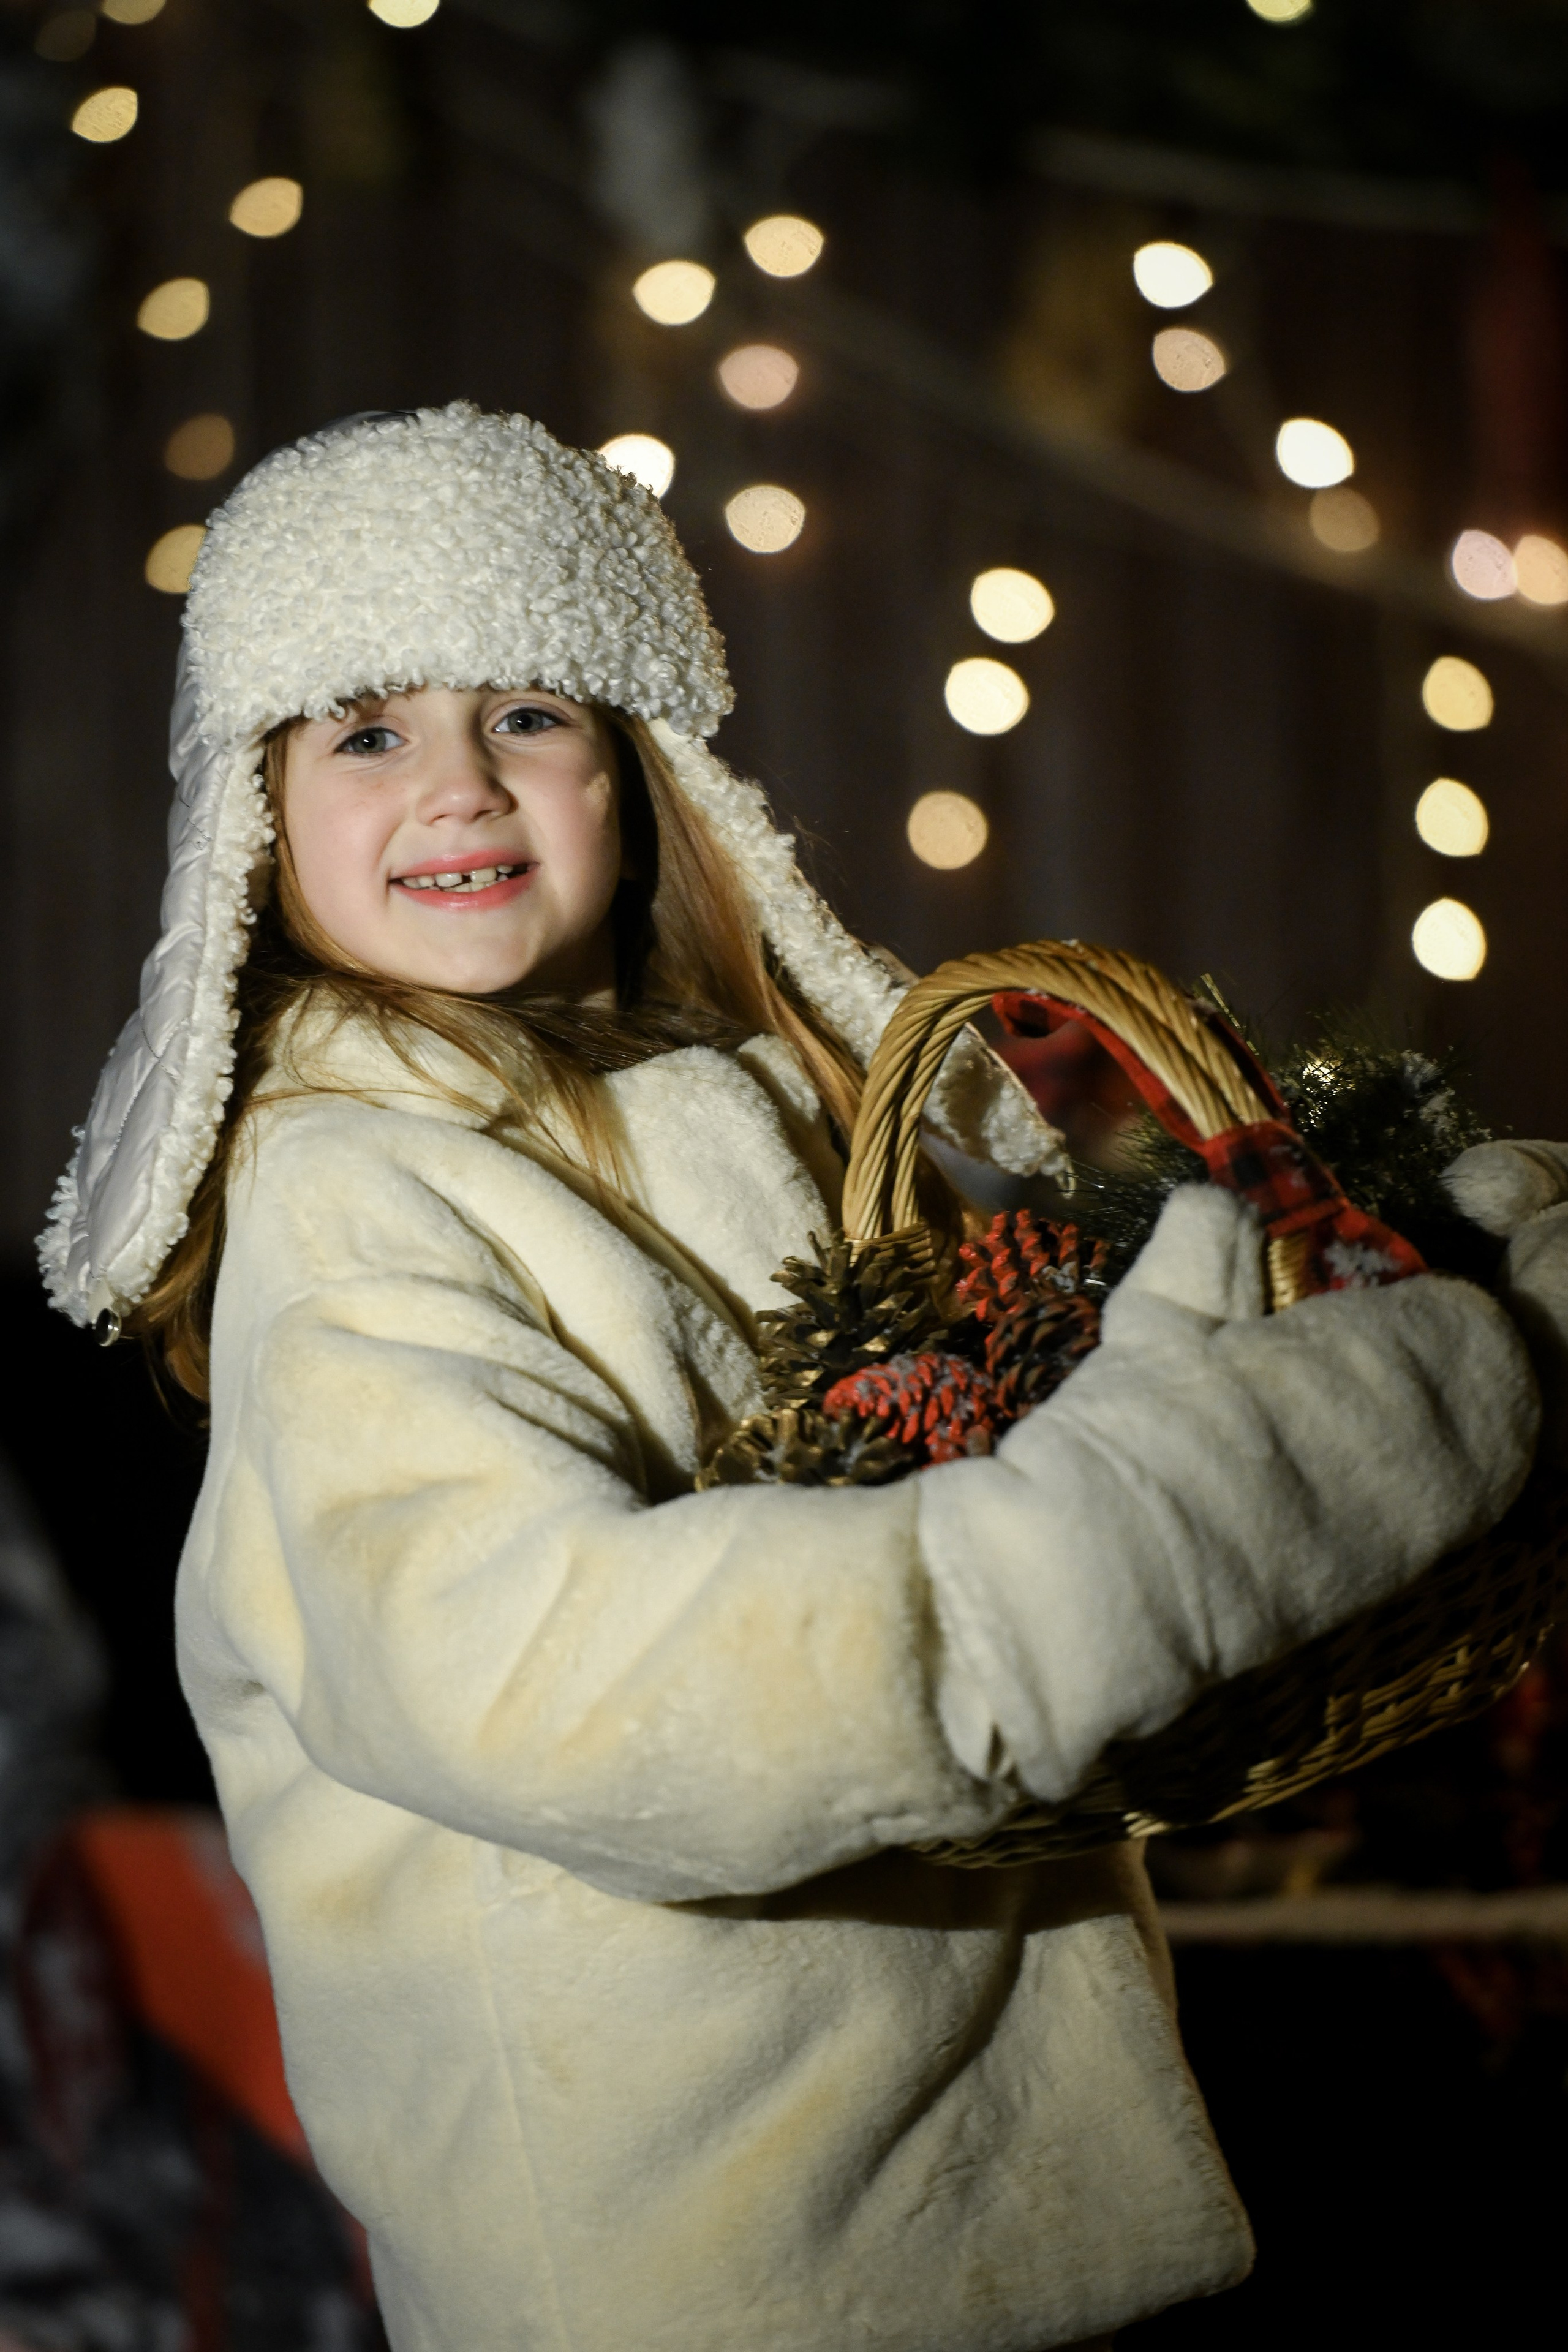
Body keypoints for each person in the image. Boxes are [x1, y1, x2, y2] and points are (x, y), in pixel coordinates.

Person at [40, 404, 1548, 2352]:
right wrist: (1121, 1556)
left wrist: (1345, 1269)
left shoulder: (745, 1104)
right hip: (680, 2255)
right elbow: (552, 1682)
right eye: (365, 728)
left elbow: (968, 1395)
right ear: (252, 810)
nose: (462, 787)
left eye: (533, 713)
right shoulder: (351, 1195)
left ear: (642, 767)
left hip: (937, 2192)